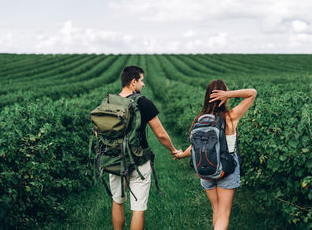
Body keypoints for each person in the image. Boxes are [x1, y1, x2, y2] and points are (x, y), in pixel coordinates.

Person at [97, 66, 182, 230]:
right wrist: (173, 150)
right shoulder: (143, 102)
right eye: (141, 80)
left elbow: (98, 131)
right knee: (138, 208)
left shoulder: (108, 102)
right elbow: (161, 135)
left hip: (114, 159)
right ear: (133, 81)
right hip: (139, 159)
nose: (143, 84)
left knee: (117, 201)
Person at [174, 79, 257, 230]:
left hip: (205, 168)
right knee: (224, 215)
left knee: (216, 211)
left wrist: (181, 155)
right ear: (222, 95)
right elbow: (252, 93)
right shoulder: (230, 116)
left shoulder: (200, 119)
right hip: (227, 167)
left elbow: (195, 146)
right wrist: (229, 95)